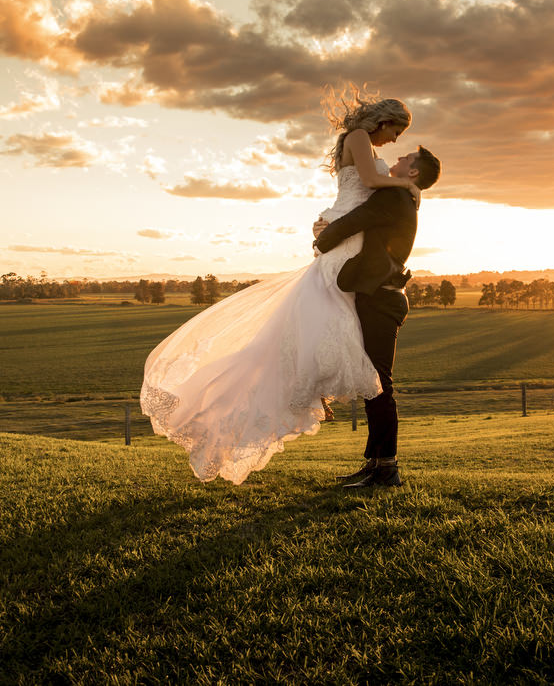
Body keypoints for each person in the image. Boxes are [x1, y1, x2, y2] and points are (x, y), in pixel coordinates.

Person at [140, 93, 421, 485]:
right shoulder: (359, 137)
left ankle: (350, 423)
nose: (394, 142)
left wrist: (334, 224)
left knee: (337, 329)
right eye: (397, 130)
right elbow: (371, 182)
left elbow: (371, 202)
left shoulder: (379, 169)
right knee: (328, 322)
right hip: (347, 240)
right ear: (384, 120)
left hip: (354, 249)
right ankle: (320, 390)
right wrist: (408, 184)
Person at [313, 145, 441, 488]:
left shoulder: (394, 199)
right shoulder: (402, 198)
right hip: (379, 297)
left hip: (382, 302)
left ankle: (387, 468)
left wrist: (321, 240)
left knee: (379, 385)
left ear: (412, 172)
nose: (396, 159)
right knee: (373, 385)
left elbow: (356, 221)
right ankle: (374, 463)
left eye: (404, 159)